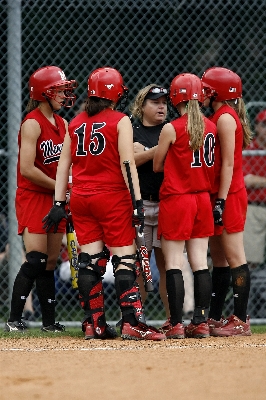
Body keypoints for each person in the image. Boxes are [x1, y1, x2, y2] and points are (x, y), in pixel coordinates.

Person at [43, 67, 166, 341]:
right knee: (124, 259)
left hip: (82, 197)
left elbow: (64, 165)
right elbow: (127, 162)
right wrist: (137, 201)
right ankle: (132, 323)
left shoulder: (74, 123)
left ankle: (94, 324)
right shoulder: (120, 120)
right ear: (116, 93)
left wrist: (59, 201)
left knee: (89, 262)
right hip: (112, 196)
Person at [5, 66, 77, 333]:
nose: (63, 95)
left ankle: (49, 322)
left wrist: (67, 188)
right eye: (59, 90)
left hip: (55, 198)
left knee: (49, 262)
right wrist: (60, 187)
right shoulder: (32, 123)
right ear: (44, 93)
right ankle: (14, 319)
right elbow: (26, 169)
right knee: (35, 259)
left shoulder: (64, 124)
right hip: (34, 196)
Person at [153, 73, 217, 339]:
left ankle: (176, 322)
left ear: (175, 97)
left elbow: (157, 166)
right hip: (202, 198)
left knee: (174, 262)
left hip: (177, 199)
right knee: (200, 261)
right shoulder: (211, 126)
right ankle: (200, 321)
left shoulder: (172, 128)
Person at [201, 66, 253, 336]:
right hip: (219, 193)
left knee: (234, 256)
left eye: (207, 89)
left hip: (229, 194)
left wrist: (220, 201)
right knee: (218, 259)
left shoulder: (224, 118)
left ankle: (241, 319)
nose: (203, 94)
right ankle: (216, 317)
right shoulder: (219, 115)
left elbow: (229, 164)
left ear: (218, 92)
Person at [129, 84, 169, 318]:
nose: (161, 106)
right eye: (155, 102)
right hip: (140, 205)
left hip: (166, 205)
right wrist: (161, 149)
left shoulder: (170, 129)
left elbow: (141, 156)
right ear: (142, 106)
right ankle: (136, 317)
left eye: (164, 102)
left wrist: (146, 151)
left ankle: (172, 318)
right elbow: (130, 160)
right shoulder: (132, 130)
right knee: (139, 267)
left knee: (168, 266)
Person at [243, 110, 266, 268]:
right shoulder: (249, 149)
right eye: (264, 125)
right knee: (250, 261)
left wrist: (261, 181)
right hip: (254, 206)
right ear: (257, 127)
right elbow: (247, 180)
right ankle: (250, 291)